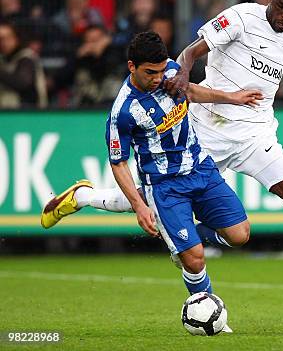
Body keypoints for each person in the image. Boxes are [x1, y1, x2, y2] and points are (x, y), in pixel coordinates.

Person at [42, 0, 283, 309]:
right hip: (207, 131)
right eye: (281, 6)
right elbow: (189, 52)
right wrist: (182, 74)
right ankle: (86, 197)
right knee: (152, 195)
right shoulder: (241, 17)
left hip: (256, 135)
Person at [45, 31, 259, 328]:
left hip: (200, 168)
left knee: (239, 235)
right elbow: (118, 163)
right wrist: (140, 206)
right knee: (194, 258)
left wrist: (232, 98)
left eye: (161, 70)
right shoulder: (123, 111)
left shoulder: (170, 70)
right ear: (131, 66)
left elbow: (191, 92)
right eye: (150, 72)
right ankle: (210, 316)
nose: (158, 78)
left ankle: (85, 197)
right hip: (164, 187)